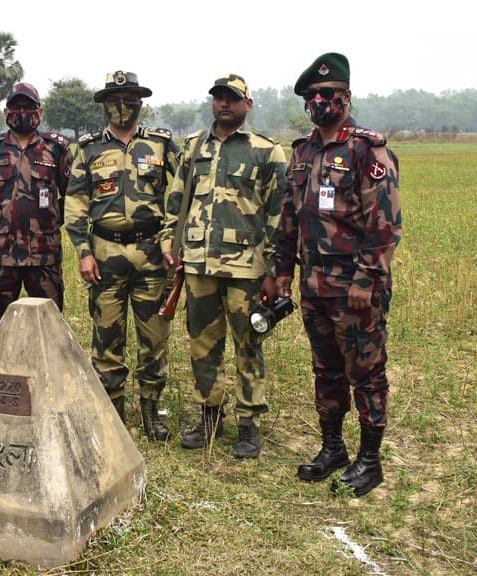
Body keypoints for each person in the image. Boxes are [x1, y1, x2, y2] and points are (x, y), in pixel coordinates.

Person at [276, 53, 402, 497]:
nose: (319, 102)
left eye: (328, 94)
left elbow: (384, 225)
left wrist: (366, 281)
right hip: (314, 288)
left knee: (366, 374)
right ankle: (333, 448)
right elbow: (289, 219)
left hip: (356, 291)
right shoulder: (304, 152)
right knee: (326, 371)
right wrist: (279, 274)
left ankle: (370, 461)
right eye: (312, 96)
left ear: (346, 97)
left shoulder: (367, 150)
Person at [160, 74, 288, 458]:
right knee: (202, 345)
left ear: (248, 105)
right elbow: (176, 200)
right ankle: (209, 417)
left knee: (249, 345)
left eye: (232, 98)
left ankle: (249, 424)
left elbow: (279, 215)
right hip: (198, 264)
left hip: (247, 270)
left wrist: (272, 270)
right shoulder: (194, 147)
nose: (224, 104)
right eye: (218, 98)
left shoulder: (267, 152)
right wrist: (170, 242)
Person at [64, 71, 179, 441]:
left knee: (154, 337)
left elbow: (179, 198)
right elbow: (76, 201)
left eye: (130, 99)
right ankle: (113, 413)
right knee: (106, 336)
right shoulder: (89, 148)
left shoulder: (161, 145)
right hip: (106, 252)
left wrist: (171, 243)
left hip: (151, 254)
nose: (122, 106)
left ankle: (151, 412)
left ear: (140, 103)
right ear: (104, 105)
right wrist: (83, 252)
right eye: (115, 99)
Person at [0, 82, 72, 352]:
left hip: (44, 253)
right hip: (1, 254)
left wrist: (48, 222)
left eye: (28, 107)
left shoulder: (57, 149)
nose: (22, 112)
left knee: (51, 323)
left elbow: (71, 195)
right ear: (6, 112)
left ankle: (49, 383)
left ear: (40, 111)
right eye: (16, 107)